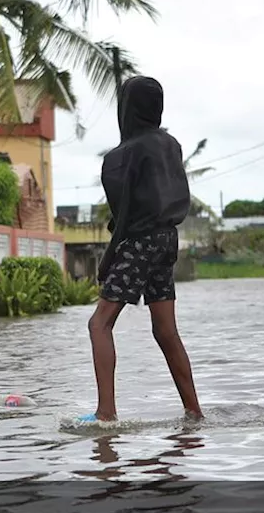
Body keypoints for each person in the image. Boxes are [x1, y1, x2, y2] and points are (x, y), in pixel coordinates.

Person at [79, 75, 204, 424]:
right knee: (165, 329)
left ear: (126, 110)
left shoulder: (121, 156)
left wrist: (107, 260)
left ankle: (106, 414)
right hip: (168, 240)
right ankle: (194, 412)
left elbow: (124, 216)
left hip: (140, 242)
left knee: (99, 323)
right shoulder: (172, 146)